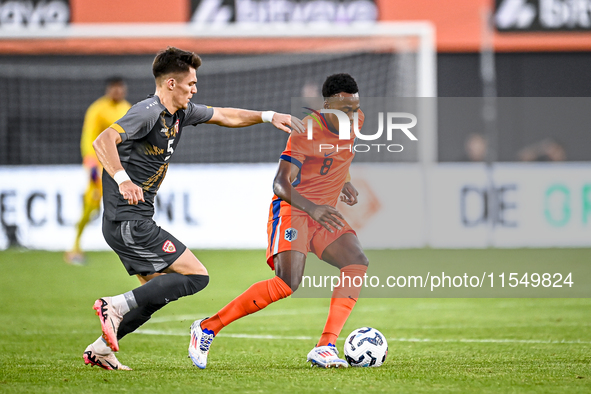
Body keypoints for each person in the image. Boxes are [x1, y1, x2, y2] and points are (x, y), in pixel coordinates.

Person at [83, 47, 304, 371]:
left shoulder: (180, 114)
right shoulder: (148, 112)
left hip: (133, 220)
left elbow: (225, 115)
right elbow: (103, 140)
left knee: (156, 295)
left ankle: (102, 349)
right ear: (171, 83)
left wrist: (268, 116)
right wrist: (122, 179)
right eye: (190, 83)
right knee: (197, 275)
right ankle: (114, 306)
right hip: (128, 220)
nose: (195, 89)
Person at [188, 73, 369, 369]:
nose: (351, 115)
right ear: (327, 105)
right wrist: (312, 208)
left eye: (354, 108)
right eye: (344, 109)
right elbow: (280, 185)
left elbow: (340, 155)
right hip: (295, 210)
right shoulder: (305, 131)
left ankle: (326, 345)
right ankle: (207, 328)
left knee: (356, 262)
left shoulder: (357, 120)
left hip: (322, 213)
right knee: (287, 283)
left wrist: (344, 181)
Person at [65, 77, 131, 265]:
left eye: (121, 88)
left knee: (126, 206)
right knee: (92, 204)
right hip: (100, 166)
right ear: (109, 90)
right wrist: (91, 164)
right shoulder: (98, 109)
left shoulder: (127, 108)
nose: (118, 92)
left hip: (120, 168)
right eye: (114, 89)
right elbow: (89, 137)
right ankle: (75, 247)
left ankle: (129, 249)